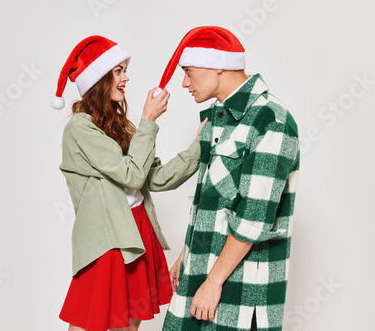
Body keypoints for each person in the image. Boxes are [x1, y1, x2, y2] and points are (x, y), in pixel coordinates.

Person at [152, 26, 300, 331]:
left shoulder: (271, 119)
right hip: (202, 269)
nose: (184, 82)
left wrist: (214, 282)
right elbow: (212, 200)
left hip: (240, 286)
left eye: (189, 71)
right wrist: (187, 254)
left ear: (217, 64)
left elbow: (253, 217)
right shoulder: (217, 117)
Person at [51, 35, 204, 331]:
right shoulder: (80, 127)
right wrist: (149, 120)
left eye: (124, 70)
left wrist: (199, 146)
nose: (126, 77)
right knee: (89, 322)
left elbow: (155, 179)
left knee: (129, 324)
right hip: (106, 236)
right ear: (98, 79)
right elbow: (131, 175)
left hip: (138, 228)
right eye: (118, 71)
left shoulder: (120, 125)